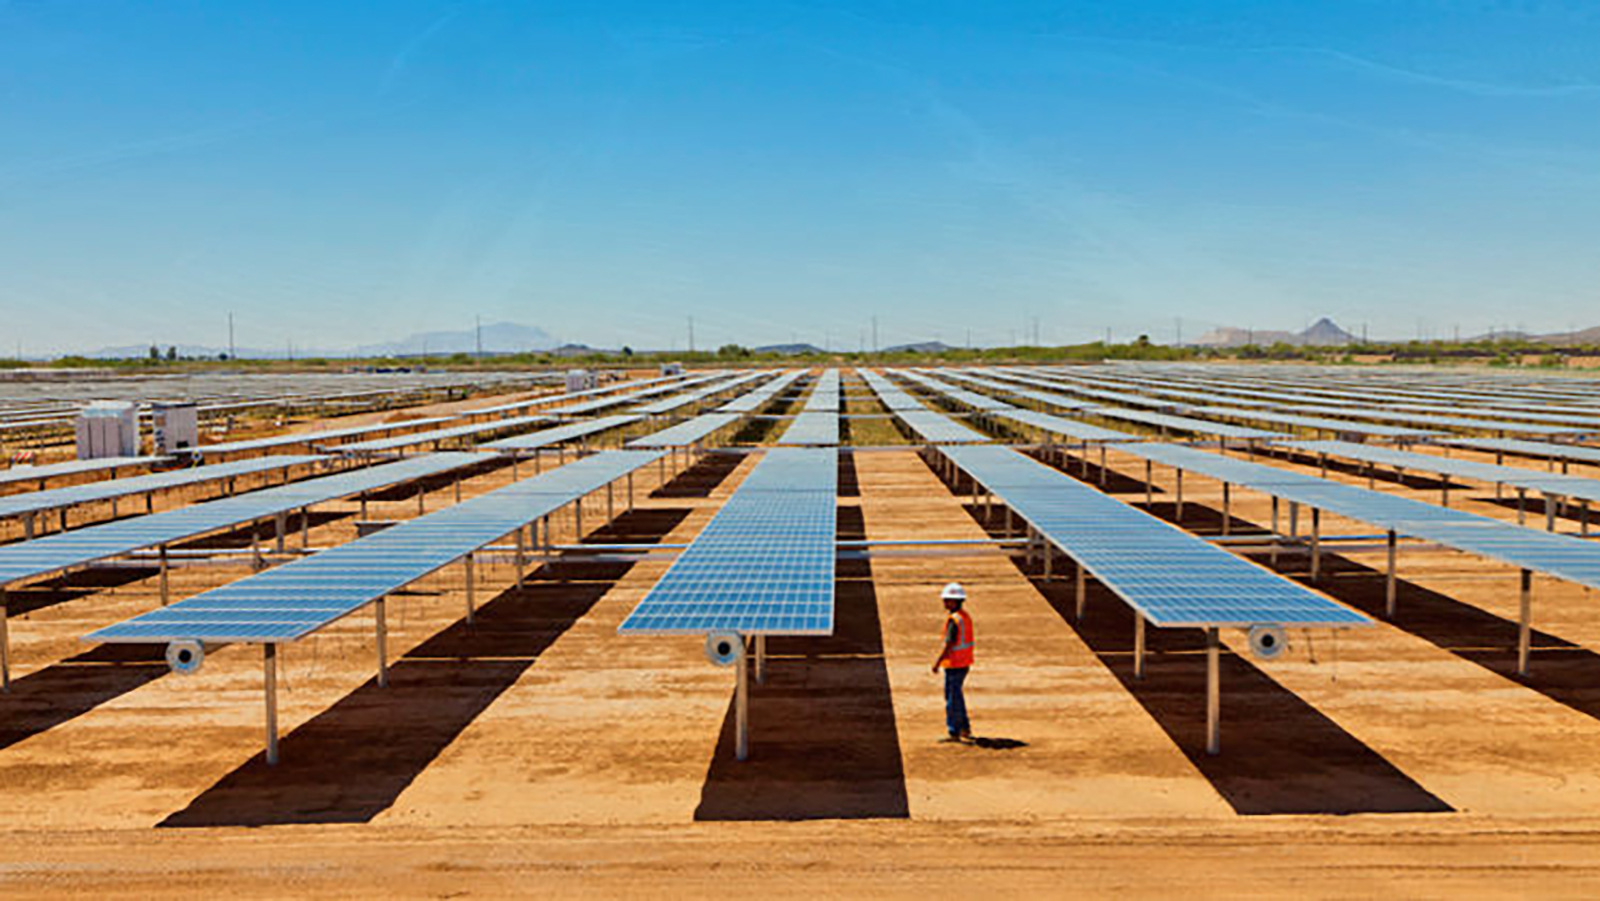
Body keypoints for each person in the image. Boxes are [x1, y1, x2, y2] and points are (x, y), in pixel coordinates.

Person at [931, 581, 974, 743]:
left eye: (947, 599)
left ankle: (954, 731)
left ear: (955, 601)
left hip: (955, 664)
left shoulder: (954, 621)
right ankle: (964, 728)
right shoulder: (964, 617)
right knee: (956, 696)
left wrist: (937, 662)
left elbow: (949, 644)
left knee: (952, 699)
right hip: (964, 662)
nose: (944, 603)